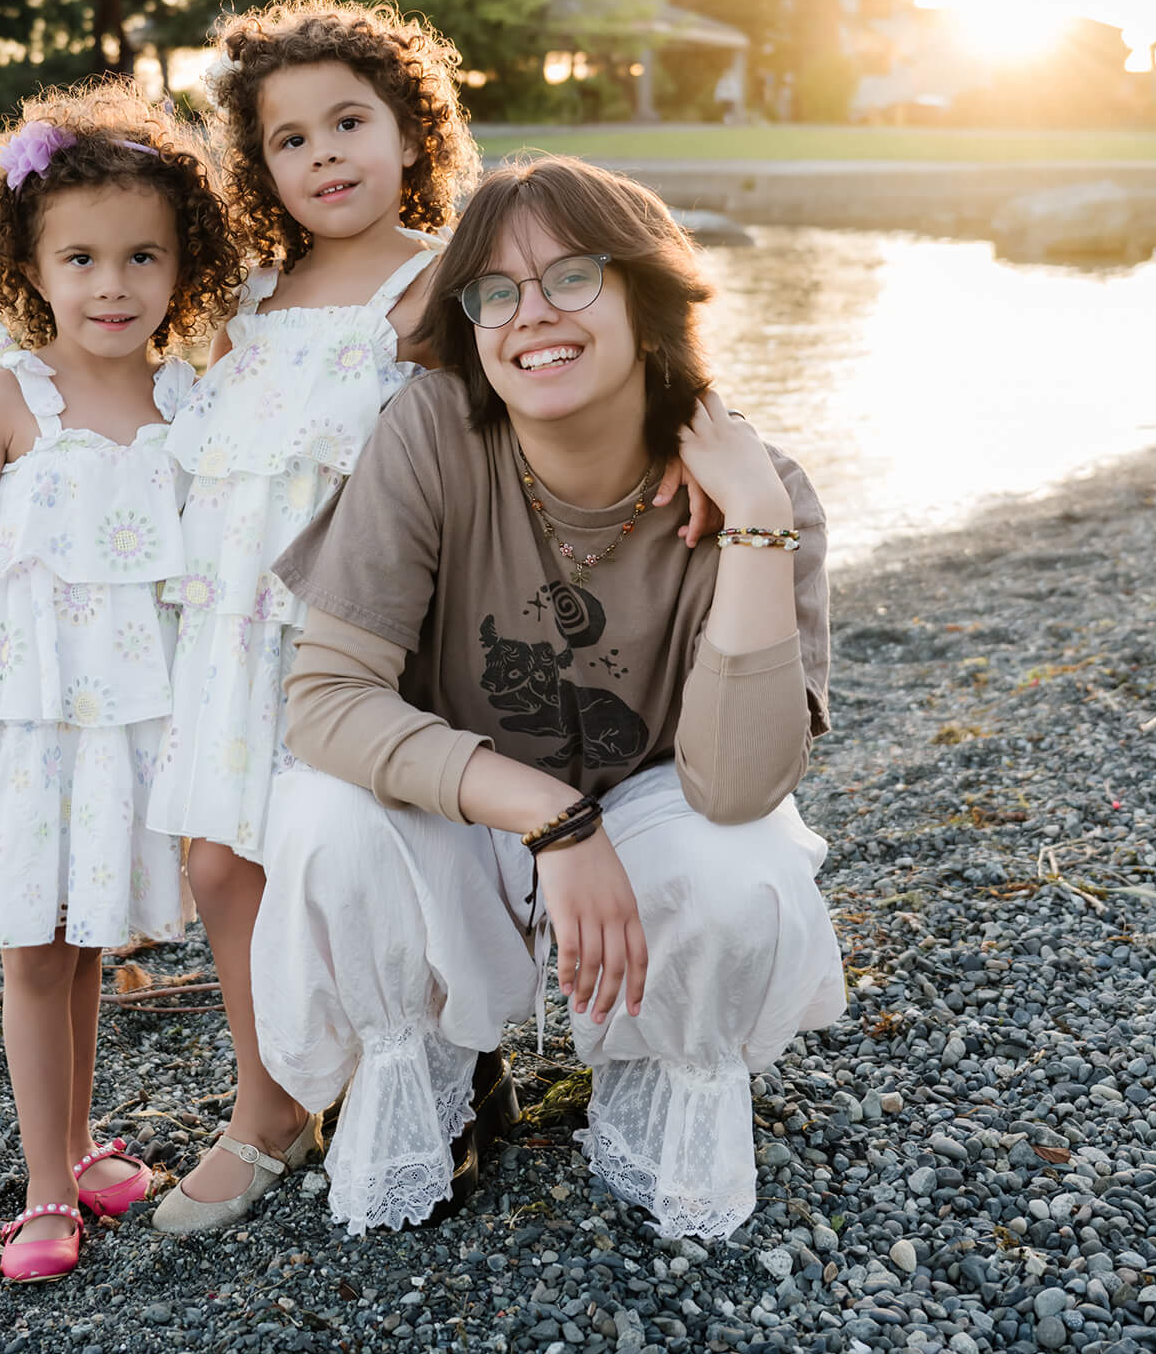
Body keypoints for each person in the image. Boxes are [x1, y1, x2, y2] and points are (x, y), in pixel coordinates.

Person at [252, 155, 846, 1242]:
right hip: (472, 805)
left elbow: (740, 785)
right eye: (496, 291)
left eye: (572, 276)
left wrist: (758, 519)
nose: (533, 315)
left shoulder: (764, 494)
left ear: (643, 295)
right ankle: (443, 1066)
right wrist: (549, 817)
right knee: (321, 821)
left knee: (742, 870)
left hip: (656, 804)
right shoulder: (432, 431)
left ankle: (659, 1082)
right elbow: (325, 702)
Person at [144, 0, 479, 1232]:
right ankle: (271, 1097)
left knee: (344, 858)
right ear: (260, 165)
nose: (324, 154)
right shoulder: (243, 304)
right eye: (290, 139)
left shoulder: (437, 281)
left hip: (359, 633)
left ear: (411, 134)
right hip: (232, 637)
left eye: (351, 122)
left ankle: (418, 1071)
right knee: (220, 861)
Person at [0, 83, 239, 1282]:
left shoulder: (190, 397)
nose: (112, 284)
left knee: (92, 938)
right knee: (36, 951)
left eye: (143, 256)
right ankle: (48, 1189)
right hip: (29, 728)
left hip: (134, 728)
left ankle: (87, 1144)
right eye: (81, 256)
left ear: (181, 264)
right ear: (29, 264)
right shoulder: (6, 401)